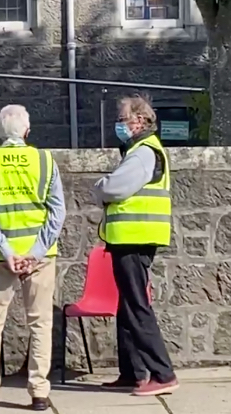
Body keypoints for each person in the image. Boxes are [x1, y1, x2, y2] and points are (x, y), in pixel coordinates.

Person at [0, 105, 66, 413]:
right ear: (27, 131)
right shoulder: (45, 159)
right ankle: (39, 393)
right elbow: (57, 212)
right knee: (40, 323)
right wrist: (36, 252)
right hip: (39, 256)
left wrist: (7, 251)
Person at [92, 94, 178, 396]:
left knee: (137, 306)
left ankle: (162, 373)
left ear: (139, 120)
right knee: (127, 306)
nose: (119, 124)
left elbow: (116, 187)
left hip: (135, 237)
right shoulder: (140, 149)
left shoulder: (143, 151)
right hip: (130, 237)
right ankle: (132, 372)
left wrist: (100, 187)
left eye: (122, 118)